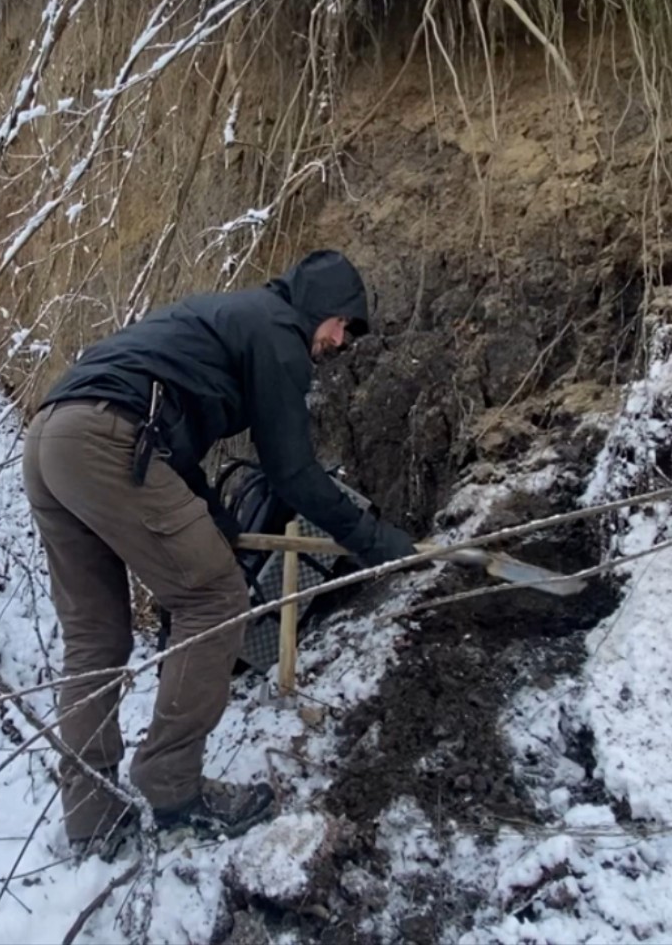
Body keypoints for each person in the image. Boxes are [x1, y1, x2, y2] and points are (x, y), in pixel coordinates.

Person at [22, 250, 419, 853]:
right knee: (214, 598)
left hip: (52, 438)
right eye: (344, 323)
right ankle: (171, 785)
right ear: (317, 306)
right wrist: (375, 542)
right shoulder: (278, 333)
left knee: (95, 638)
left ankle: (90, 815)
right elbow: (293, 473)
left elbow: (172, 441)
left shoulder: (227, 318)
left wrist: (216, 517)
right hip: (108, 442)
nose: (343, 341)